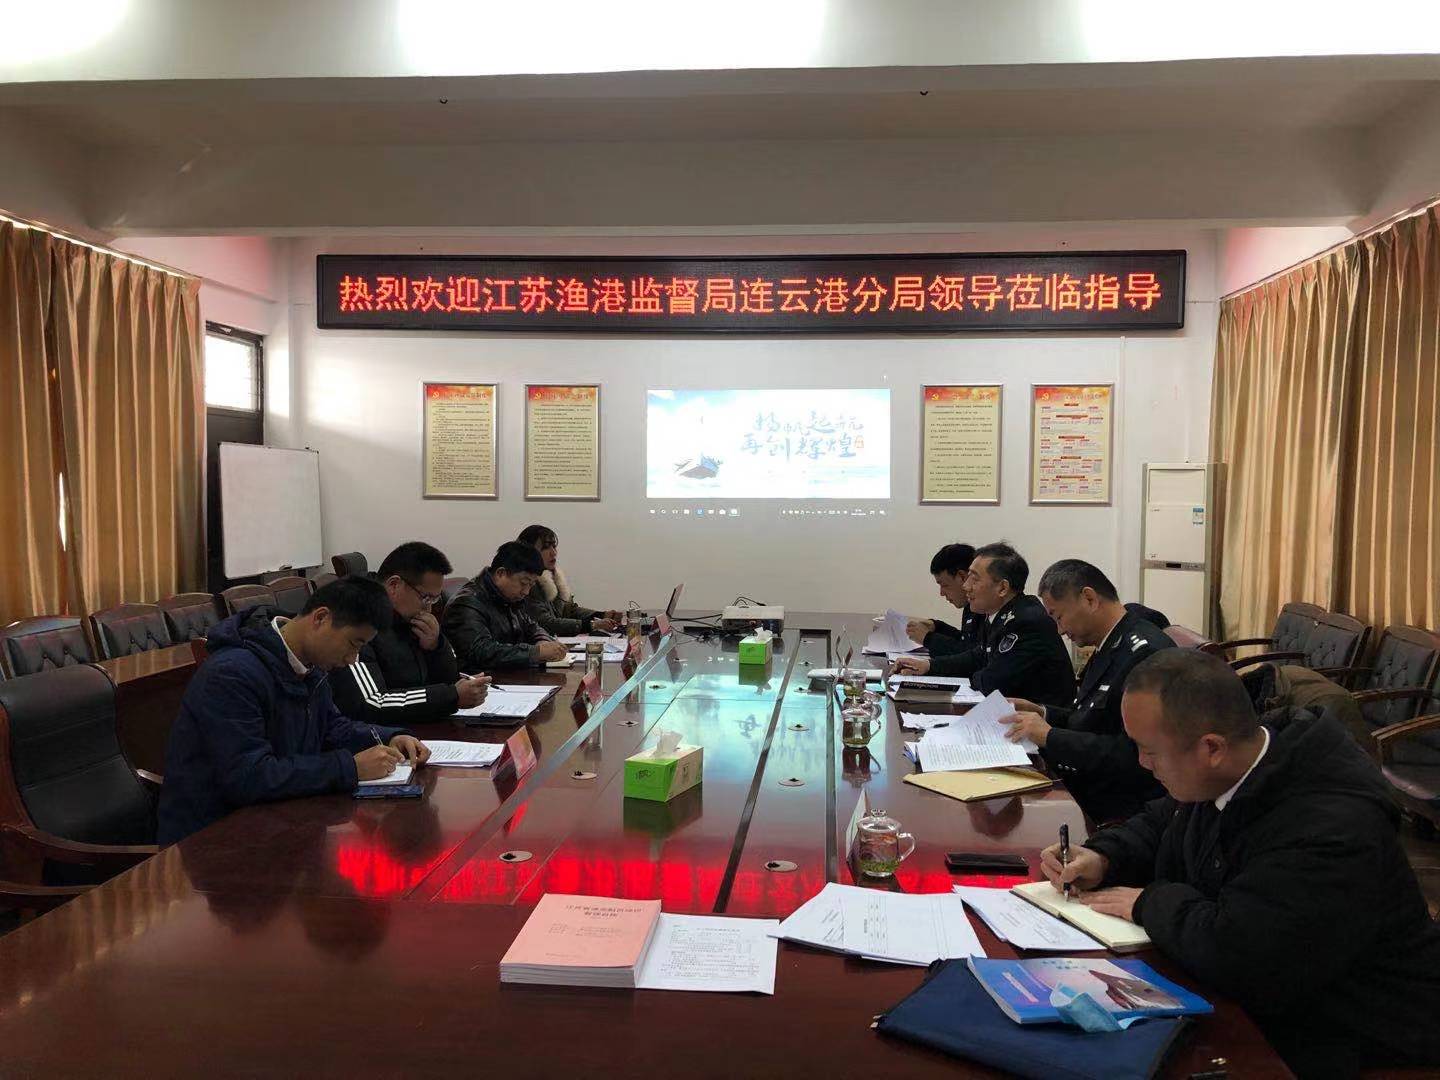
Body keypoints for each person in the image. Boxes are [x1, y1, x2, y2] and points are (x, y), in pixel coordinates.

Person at [1040, 650, 1440, 1078]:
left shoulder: (1329, 826)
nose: (1141, 763)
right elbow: (1162, 822)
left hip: (1354, 1036)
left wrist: (1148, 902)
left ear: (1211, 747)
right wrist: (1104, 855)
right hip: (1267, 1004)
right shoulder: (1231, 768)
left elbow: (1242, 957)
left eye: (1149, 751)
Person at [158, 577, 431, 846]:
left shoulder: (308, 664)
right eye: (353, 644)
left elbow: (332, 728)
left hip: (277, 826)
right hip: (214, 842)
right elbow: (248, 776)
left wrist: (389, 738)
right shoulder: (231, 674)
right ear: (321, 618)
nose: (352, 660)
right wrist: (350, 768)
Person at [1003, 559, 1171, 823]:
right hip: (1088, 781)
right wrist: (1042, 713)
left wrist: (1050, 737)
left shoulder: (1145, 655)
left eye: (1059, 617)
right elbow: (1090, 718)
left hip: (1118, 805)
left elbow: (1135, 756)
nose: (1060, 630)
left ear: (1089, 599)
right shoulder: (1112, 642)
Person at [893, 542, 1075, 707]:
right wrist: (928, 666)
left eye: (974, 579)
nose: (966, 586)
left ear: (1002, 588)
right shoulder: (1000, 614)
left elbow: (992, 682)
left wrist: (974, 672)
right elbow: (977, 656)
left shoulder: (1026, 621)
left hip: (1042, 724)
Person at [330, 540, 490, 725]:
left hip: (417, 727)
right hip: (379, 734)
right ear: (394, 585)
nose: (429, 608)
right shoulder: (359, 622)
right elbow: (372, 702)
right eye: (425, 597)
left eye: (435, 599)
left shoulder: (411, 619)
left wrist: (436, 647)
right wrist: (451, 696)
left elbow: (449, 681)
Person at [442, 541, 570, 670]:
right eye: (523, 583)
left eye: (531, 585)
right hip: (483, 678)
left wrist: (543, 641)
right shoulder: (466, 603)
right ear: (500, 573)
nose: (526, 592)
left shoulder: (509, 597)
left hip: (510, 674)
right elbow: (482, 652)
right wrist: (535, 652)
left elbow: (531, 626)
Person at [516, 524, 623, 636]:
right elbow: (545, 623)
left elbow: (570, 611)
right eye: (546, 547)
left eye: (554, 546)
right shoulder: (527, 584)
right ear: (528, 551)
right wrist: (592, 625)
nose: (553, 552)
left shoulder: (553, 579)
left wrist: (602, 615)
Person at [904, 542, 982, 658]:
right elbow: (965, 641)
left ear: (962, 576)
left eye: (944, 585)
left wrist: (928, 638)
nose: (941, 593)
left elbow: (973, 657)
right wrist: (937, 627)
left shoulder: (984, 607)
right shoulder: (970, 606)